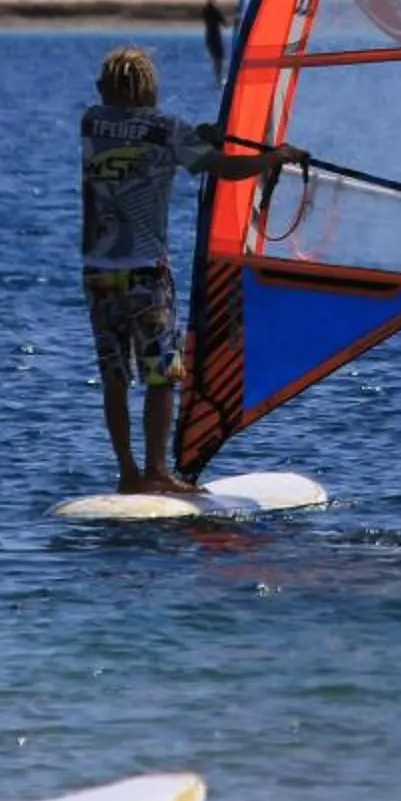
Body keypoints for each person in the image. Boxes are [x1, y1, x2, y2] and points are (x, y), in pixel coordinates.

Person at [81, 45, 302, 495]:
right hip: (146, 274)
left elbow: (144, 141)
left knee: (115, 377)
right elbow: (221, 167)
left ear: (107, 88)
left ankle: (128, 473)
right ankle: (157, 470)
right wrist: (272, 158)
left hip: (98, 273)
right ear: (149, 87)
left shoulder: (91, 123)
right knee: (162, 377)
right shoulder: (166, 130)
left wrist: (196, 137)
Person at [201, 0, 228, 85]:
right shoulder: (215, 10)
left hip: (208, 36)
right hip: (216, 36)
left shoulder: (204, 10)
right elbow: (225, 23)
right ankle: (220, 80)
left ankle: (218, 79)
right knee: (220, 58)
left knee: (215, 59)